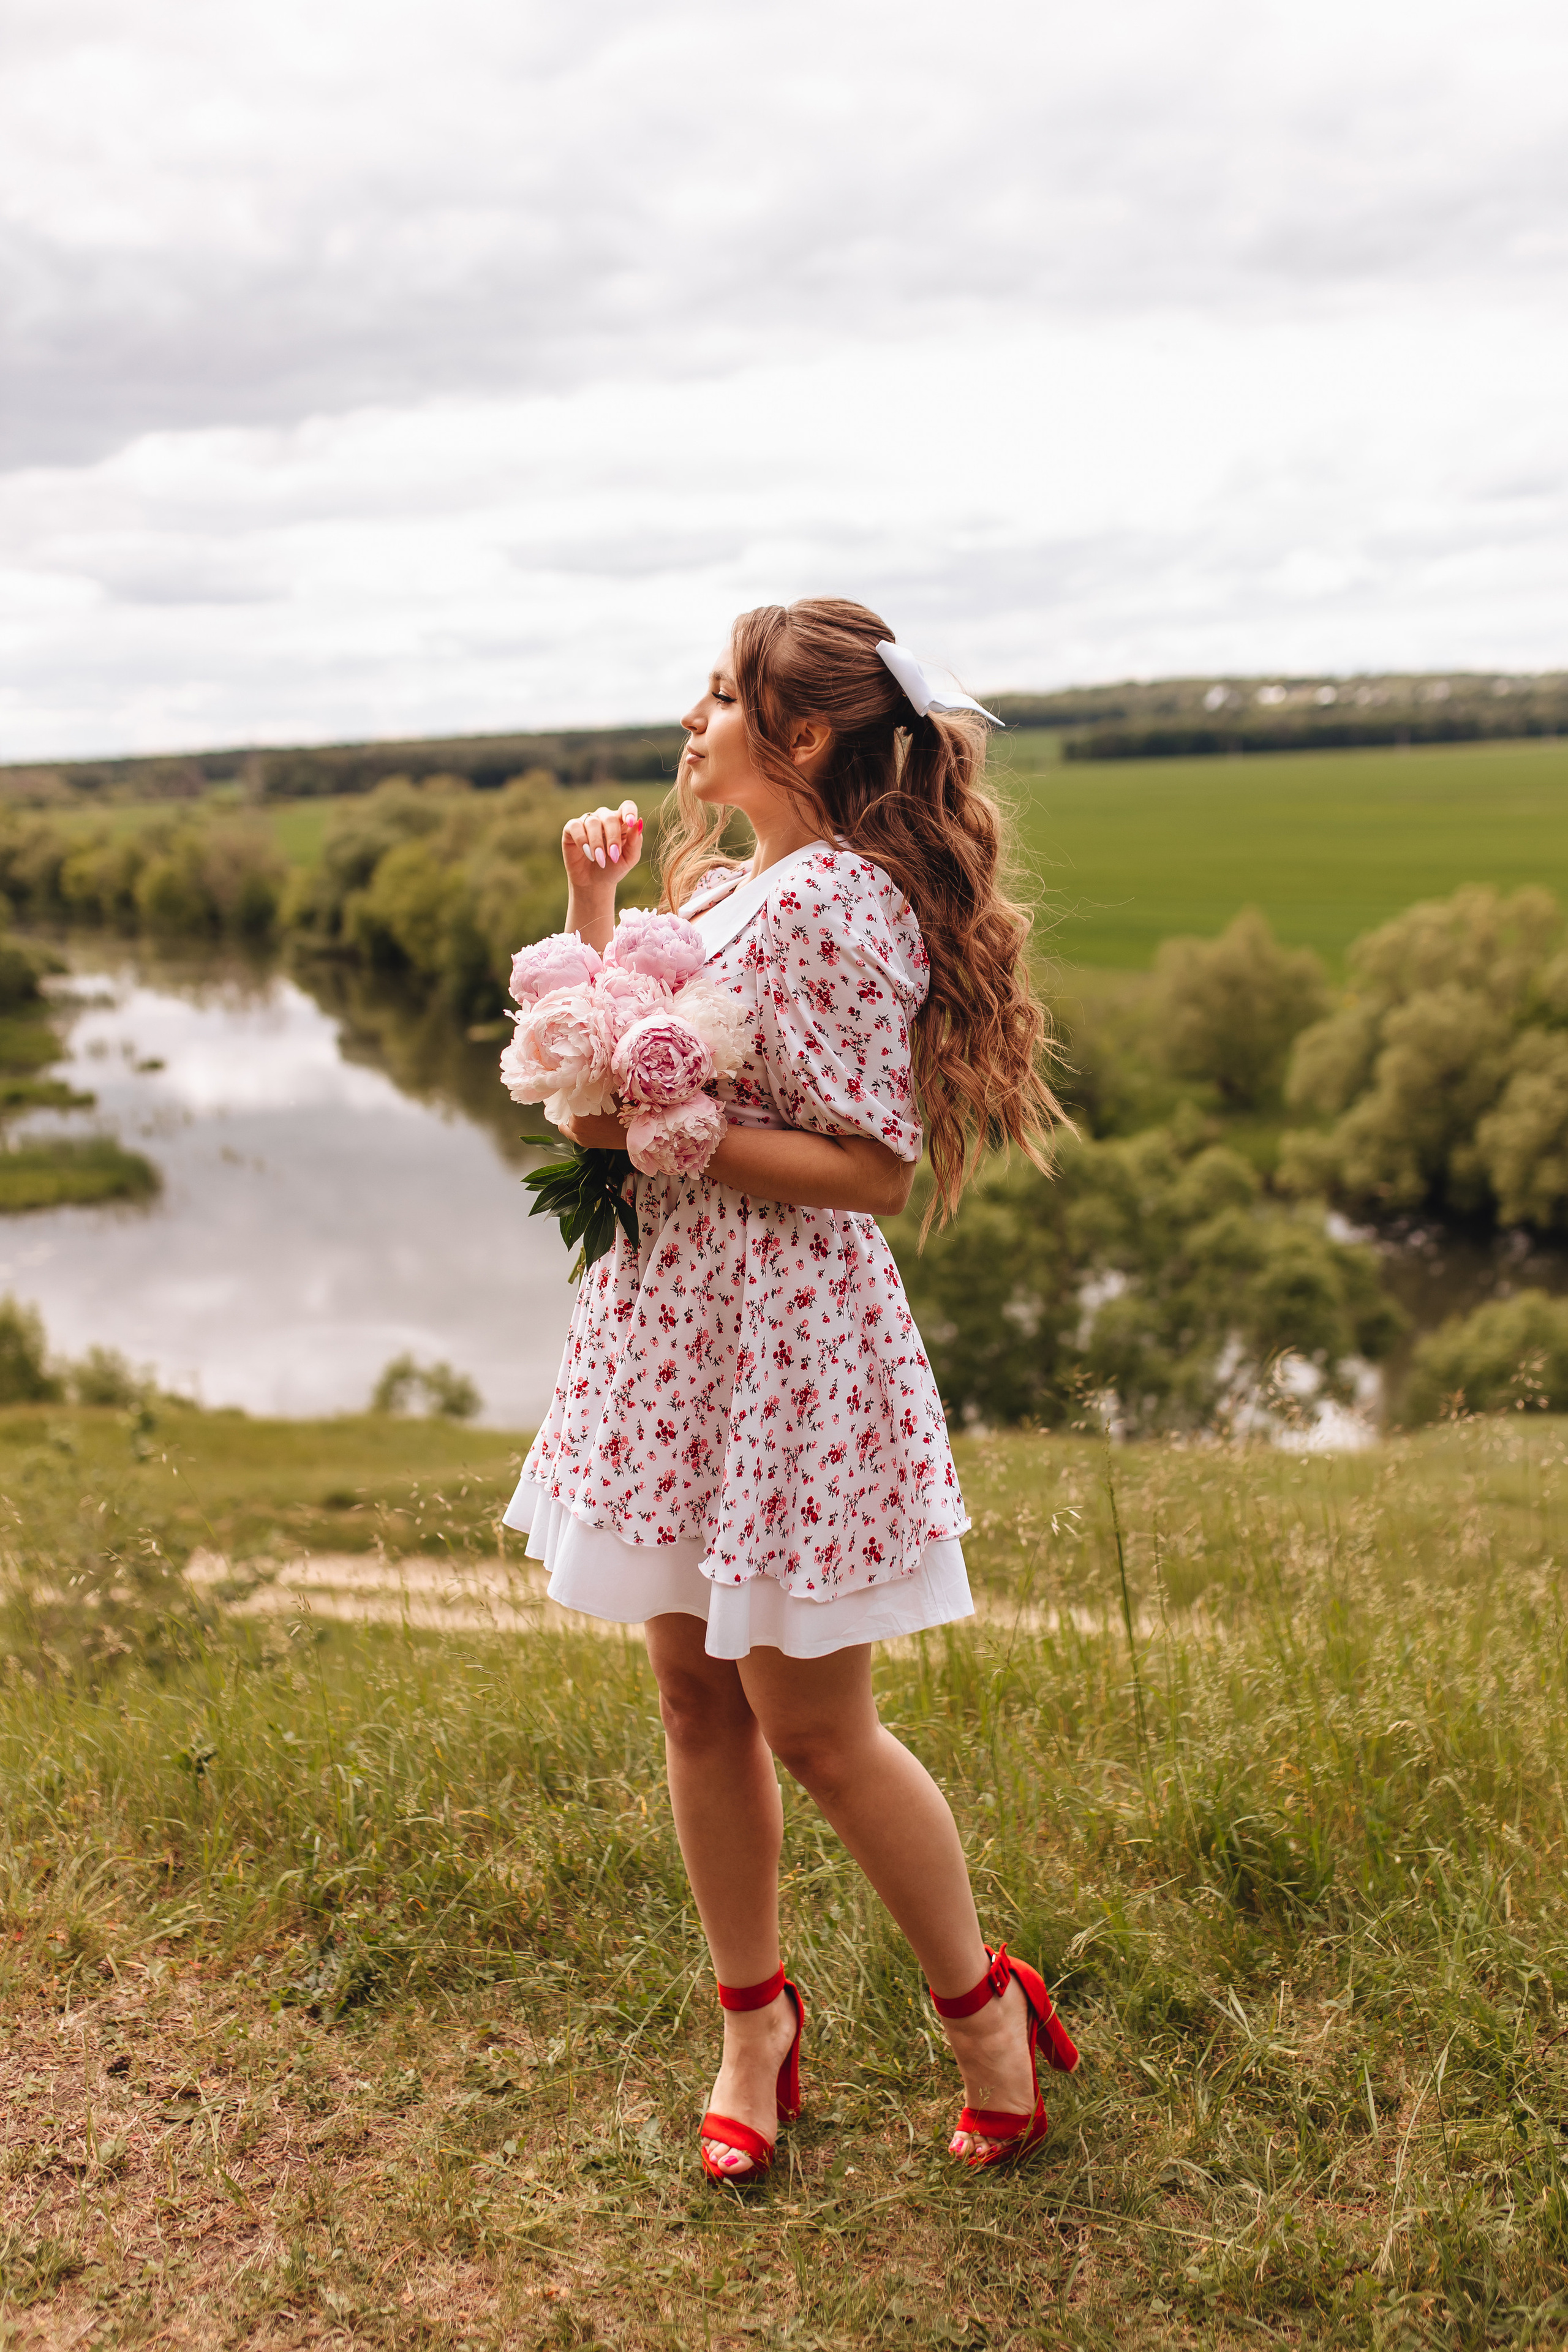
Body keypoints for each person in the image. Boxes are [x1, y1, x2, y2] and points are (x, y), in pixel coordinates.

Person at [502, 597, 1077, 2181]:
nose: (691, 719)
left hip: (780, 1346)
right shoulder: (742, 886)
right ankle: (755, 2025)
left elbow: (871, 1167)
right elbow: (623, 1066)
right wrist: (593, 910)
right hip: (677, 1332)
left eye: (717, 696)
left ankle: (987, 2017)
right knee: (693, 1698)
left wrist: (653, 1137)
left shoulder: (834, 904)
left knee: (815, 1727)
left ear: (803, 735)